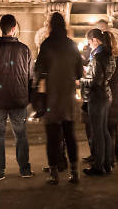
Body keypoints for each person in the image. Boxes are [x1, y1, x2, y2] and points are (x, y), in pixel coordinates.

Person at [34, 12, 83, 185]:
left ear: (51, 26)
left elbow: (38, 71)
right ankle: (74, 172)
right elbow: (80, 72)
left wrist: (37, 90)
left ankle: (54, 173)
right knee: (70, 136)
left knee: (52, 137)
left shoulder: (47, 45)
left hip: (52, 98)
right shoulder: (72, 45)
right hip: (68, 98)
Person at [0, 14, 34, 180]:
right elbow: (31, 76)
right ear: (14, 29)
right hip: (19, 98)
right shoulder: (25, 49)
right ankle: (24, 169)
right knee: (21, 134)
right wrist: (29, 97)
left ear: (1, 29)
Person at [82, 29, 115, 176]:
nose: (89, 45)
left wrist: (82, 79)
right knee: (104, 130)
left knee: (97, 132)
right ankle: (108, 163)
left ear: (95, 40)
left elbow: (95, 80)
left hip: (97, 97)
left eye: (89, 42)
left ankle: (99, 166)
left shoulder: (97, 57)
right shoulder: (109, 54)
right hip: (106, 95)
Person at [106, 31, 118, 163]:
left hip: (108, 92)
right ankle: (116, 151)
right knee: (113, 125)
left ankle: (110, 156)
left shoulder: (108, 56)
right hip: (115, 91)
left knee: (108, 126)